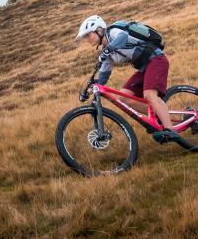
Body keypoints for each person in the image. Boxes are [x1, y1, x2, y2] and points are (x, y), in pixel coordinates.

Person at [75, 15, 184, 144]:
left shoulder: (112, 31)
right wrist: (91, 88)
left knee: (149, 94)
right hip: (144, 67)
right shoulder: (106, 51)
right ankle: (167, 117)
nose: (87, 39)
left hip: (156, 59)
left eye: (88, 35)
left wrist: (108, 50)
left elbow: (123, 37)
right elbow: (104, 76)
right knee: (124, 98)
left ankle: (169, 129)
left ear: (99, 30)